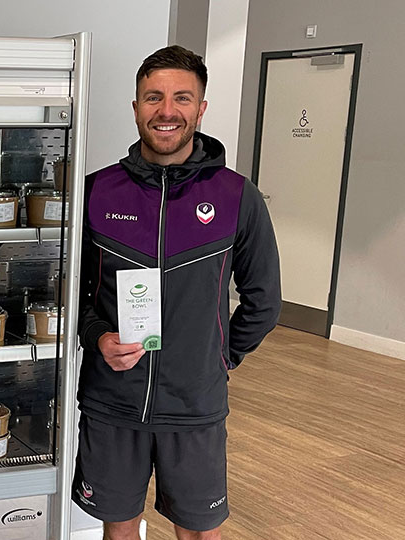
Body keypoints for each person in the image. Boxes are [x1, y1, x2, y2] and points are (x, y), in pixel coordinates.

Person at [72, 45, 282, 540]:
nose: (167, 111)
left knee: (198, 532)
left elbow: (263, 299)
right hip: (112, 401)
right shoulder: (96, 193)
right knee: (119, 530)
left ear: (201, 108)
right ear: (136, 106)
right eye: (153, 98)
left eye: (181, 98)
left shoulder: (236, 197)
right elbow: (71, 292)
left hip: (194, 407)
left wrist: (219, 358)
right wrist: (98, 336)